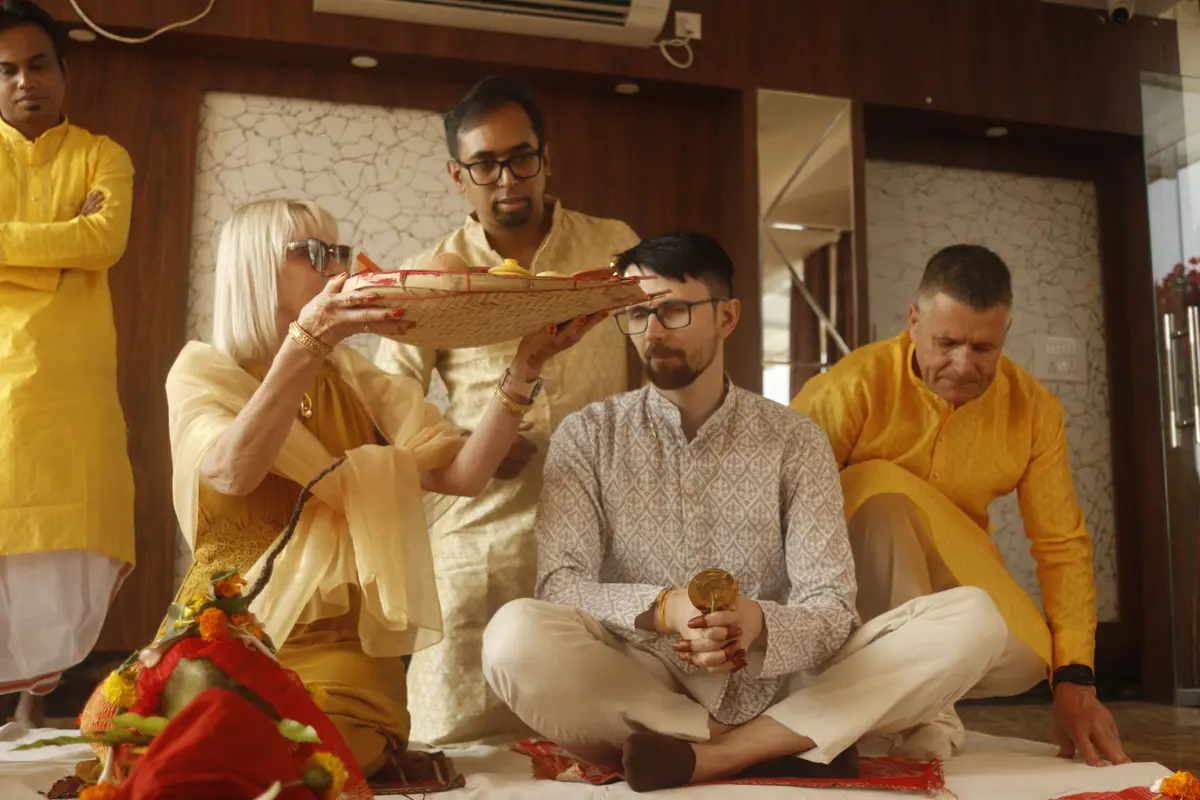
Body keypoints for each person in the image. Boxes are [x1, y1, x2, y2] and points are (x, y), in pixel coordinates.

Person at [79, 197, 603, 778]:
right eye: (312, 252)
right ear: (254, 265)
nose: (337, 267)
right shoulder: (204, 371)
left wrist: (526, 368)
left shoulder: (359, 382)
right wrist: (308, 340)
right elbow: (231, 473)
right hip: (229, 630)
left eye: (338, 251)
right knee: (166, 745)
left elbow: (463, 475)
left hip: (341, 649)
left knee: (290, 756)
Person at [482, 232, 1018, 793]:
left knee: (974, 620)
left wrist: (757, 622)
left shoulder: (795, 440)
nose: (652, 331)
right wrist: (664, 609)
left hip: (782, 678)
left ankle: (727, 751)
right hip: (647, 678)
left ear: (728, 316)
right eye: (637, 314)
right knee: (513, 636)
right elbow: (561, 586)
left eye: (673, 310)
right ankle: (784, 741)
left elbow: (831, 608)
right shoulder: (588, 436)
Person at [374, 74, 640, 746]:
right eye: (484, 165)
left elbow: (660, 350)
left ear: (546, 159)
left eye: (521, 159)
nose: (506, 181)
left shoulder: (613, 247)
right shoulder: (429, 275)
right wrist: (464, 442)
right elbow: (382, 408)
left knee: (593, 741)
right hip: (480, 537)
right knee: (460, 741)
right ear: (457, 175)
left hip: (603, 531)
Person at [791, 243, 1130, 767]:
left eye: (983, 348)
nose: (963, 365)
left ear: (1006, 332)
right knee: (881, 488)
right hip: (847, 603)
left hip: (957, 597)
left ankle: (879, 708)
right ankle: (928, 714)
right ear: (913, 321)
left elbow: (1061, 546)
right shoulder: (849, 387)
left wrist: (1075, 680)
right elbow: (777, 511)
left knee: (1029, 655)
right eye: (946, 343)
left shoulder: (1034, 409)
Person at [0, 0, 135, 726]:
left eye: (38, 64)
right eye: (6, 70)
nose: (25, 82)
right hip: (1, 387)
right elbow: (80, 242)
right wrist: (63, 240)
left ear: (63, 71)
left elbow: (104, 240)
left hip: (71, 393)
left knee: (56, 555)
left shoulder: (103, 155)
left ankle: (31, 712)